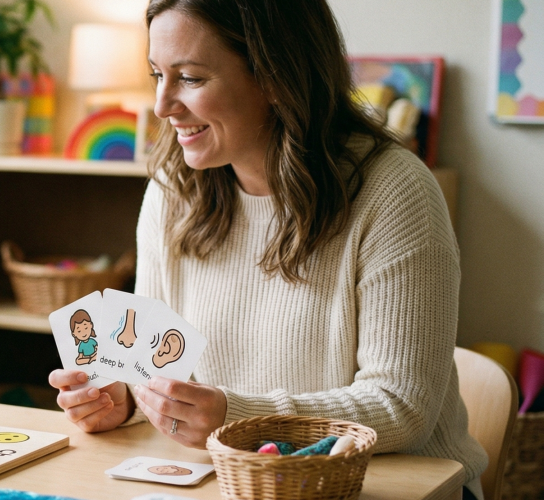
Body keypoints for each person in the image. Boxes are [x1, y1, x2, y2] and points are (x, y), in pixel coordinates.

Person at [47, 1, 489, 498]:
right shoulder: (174, 186)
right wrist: (125, 397)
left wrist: (238, 416)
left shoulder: (395, 192)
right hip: (240, 483)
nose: (162, 105)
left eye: (190, 78)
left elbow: (400, 408)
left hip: (393, 488)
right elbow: (156, 364)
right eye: (157, 74)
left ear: (276, 78)